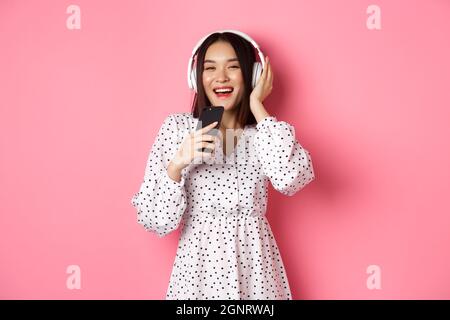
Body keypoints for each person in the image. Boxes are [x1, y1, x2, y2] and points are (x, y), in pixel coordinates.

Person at [131, 30, 315, 300]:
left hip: (255, 269)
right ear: (196, 77)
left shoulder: (264, 136)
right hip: (198, 272)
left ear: (252, 76)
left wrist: (259, 108)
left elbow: (291, 179)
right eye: (210, 68)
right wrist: (178, 164)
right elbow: (156, 221)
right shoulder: (178, 129)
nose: (221, 77)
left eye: (233, 67)